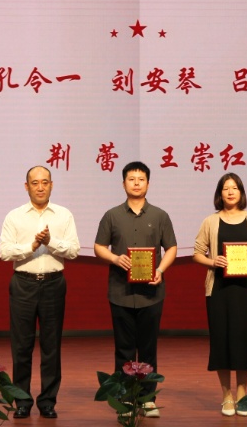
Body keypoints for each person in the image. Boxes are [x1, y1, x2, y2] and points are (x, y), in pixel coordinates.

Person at [94, 161, 177, 419]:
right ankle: (126, 400)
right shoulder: (111, 215)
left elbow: (171, 248)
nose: (137, 183)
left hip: (151, 294)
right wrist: (115, 258)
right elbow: (99, 247)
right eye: (132, 179)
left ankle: (148, 399)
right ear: (123, 184)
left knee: (148, 349)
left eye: (141, 179)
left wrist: (160, 270)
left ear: (148, 184)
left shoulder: (160, 216)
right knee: (124, 349)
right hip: (120, 292)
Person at [0, 166, 80, 419]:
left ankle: (47, 401)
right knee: (21, 347)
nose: (40, 187)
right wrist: (32, 245)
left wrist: (50, 242)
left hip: (54, 284)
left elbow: (73, 250)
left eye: (45, 182)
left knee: (51, 347)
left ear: (52, 185)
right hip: (23, 283)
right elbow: (5, 252)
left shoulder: (64, 215)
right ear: (27, 186)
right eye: (35, 183)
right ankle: (22, 401)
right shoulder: (14, 216)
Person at [193, 173, 247, 417]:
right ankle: (226, 396)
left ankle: (243, 394)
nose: (230, 192)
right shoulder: (210, 221)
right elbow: (197, 253)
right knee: (221, 340)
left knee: (246, 340)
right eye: (226, 188)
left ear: (241, 192)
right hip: (219, 289)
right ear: (220, 194)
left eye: (235, 188)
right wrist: (212, 261)